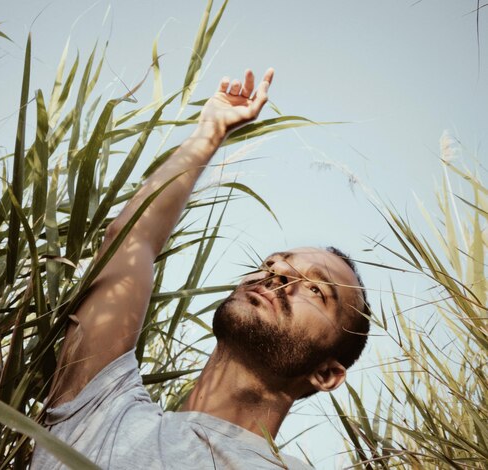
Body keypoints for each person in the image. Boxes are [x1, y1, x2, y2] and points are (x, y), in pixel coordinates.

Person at [31, 68, 370, 469]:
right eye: (274, 263)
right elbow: (130, 240)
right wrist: (210, 133)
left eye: (316, 290)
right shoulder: (101, 411)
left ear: (326, 374)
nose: (279, 275)